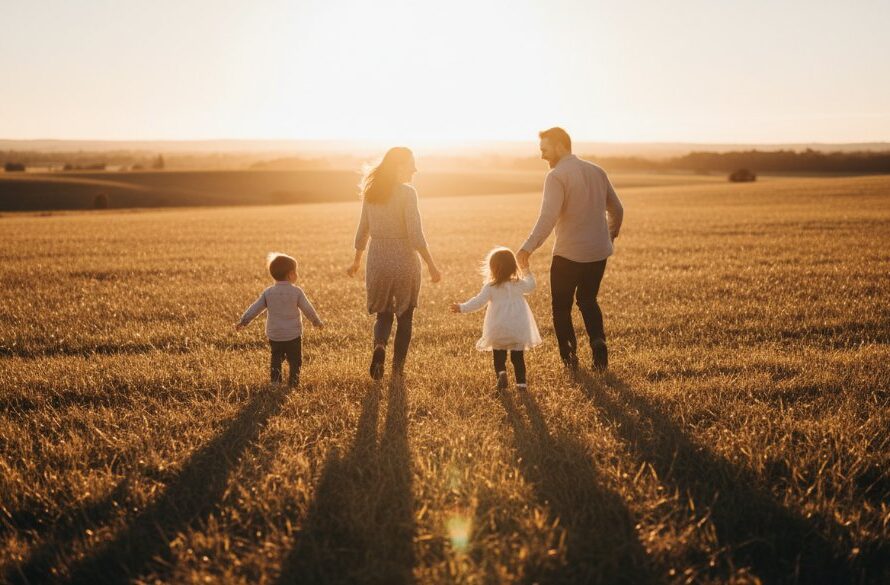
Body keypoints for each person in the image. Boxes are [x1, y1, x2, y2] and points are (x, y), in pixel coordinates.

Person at [517, 127, 623, 371]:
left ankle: (571, 361)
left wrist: (527, 248)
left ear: (561, 146)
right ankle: (598, 346)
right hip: (598, 253)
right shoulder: (597, 171)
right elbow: (618, 210)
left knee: (561, 308)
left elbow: (548, 218)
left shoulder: (556, 176)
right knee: (588, 300)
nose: (542, 156)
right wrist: (609, 236)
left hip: (568, 255)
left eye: (544, 149)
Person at [347, 147, 441, 379]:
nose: (415, 169)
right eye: (411, 164)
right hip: (404, 259)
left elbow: (362, 231)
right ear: (399, 166)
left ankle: (380, 346)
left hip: (377, 258)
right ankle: (397, 370)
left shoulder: (371, 192)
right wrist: (430, 263)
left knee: (383, 314)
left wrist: (356, 261)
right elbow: (415, 233)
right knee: (405, 316)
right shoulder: (408, 193)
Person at [450, 247, 541, 390]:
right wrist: (527, 270)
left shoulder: (490, 287)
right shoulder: (518, 284)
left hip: (498, 328)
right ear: (513, 267)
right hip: (518, 327)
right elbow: (531, 285)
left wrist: (462, 307)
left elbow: (478, 302)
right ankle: (521, 384)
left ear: (492, 268)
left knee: (499, 356)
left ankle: (501, 373)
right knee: (518, 358)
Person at [235, 252, 324, 387]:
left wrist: (244, 321)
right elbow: (307, 308)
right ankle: (293, 383)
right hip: (293, 335)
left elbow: (255, 308)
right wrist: (316, 321)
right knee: (295, 360)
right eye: (296, 271)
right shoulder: (296, 292)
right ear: (290, 274)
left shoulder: (268, 293)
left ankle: (275, 382)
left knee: (276, 358)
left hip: (275, 334)